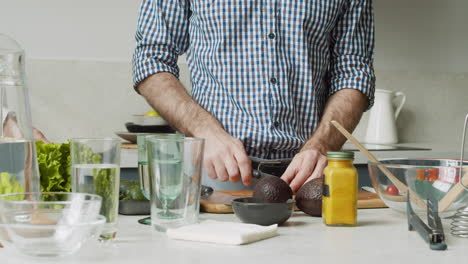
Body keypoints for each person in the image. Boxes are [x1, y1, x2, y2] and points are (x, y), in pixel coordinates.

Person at [132, 0, 375, 192]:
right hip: (216, 174)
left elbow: (353, 72)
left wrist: (322, 146)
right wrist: (204, 130)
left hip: (309, 175)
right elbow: (151, 59)